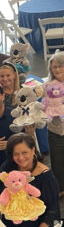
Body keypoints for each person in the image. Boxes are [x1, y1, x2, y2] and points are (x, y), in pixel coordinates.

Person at [46, 51, 64, 197]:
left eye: (60, 66)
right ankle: (60, 188)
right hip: (56, 130)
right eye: (54, 67)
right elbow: (45, 105)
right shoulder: (48, 85)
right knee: (57, 163)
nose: (57, 70)